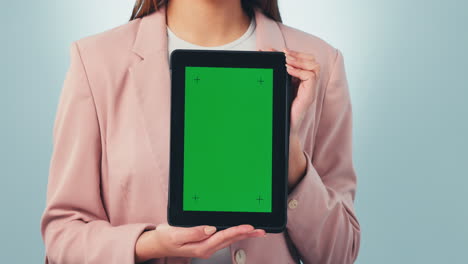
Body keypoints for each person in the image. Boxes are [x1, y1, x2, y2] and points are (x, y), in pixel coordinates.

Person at [40, 0, 361, 263]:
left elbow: (340, 252)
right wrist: (149, 244)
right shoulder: (96, 61)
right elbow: (63, 238)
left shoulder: (319, 64)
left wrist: (287, 152)